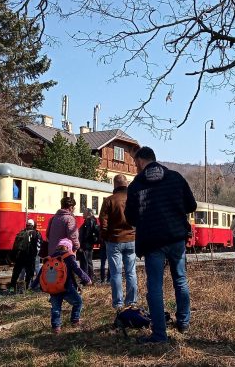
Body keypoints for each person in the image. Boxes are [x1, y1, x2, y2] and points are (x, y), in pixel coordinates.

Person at [125, 146, 197, 343]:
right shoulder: (175, 177)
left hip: (153, 241)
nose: (135, 167)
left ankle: (159, 334)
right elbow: (192, 205)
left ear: (140, 161)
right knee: (180, 280)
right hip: (176, 238)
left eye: (135, 163)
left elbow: (130, 218)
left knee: (155, 287)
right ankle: (183, 322)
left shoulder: (136, 185)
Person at [98, 174, 137, 310]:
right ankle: (132, 301)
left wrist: (104, 236)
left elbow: (103, 220)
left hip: (114, 240)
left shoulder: (109, 200)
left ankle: (118, 303)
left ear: (114, 185)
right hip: (132, 240)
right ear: (126, 184)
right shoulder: (133, 199)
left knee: (116, 273)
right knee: (131, 272)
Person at [48, 238, 92, 334]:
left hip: (54, 288)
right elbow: (77, 270)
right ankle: (75, 320)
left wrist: (34, 284)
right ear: (68, 248)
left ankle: (56, 327)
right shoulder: (68, 257)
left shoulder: (51, 257)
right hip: (66, 287)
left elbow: (41, 273)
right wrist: (87, 279)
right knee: (78, 302)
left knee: (56, 308)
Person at [9, 219, 42, 293]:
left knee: (15, 274)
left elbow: (15, 246)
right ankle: (26, 289)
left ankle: (11, 289)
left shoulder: (21, 233)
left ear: (26, 225)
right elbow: (39, 245)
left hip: (19, 257)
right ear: (33, 225)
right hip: (29, 257)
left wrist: (13, 257)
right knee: (29, 274)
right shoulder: (36, 233)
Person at [77, 209, 100, 282]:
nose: (82, 214)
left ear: (88, 214)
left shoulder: (89, 221)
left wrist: (81, 245)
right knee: (88, 261)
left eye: (84, 213)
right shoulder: (93, 221)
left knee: (85, 262)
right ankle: (89, 278)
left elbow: (86, 234)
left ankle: (86, 279)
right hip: (89, 245)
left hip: (86, 245)